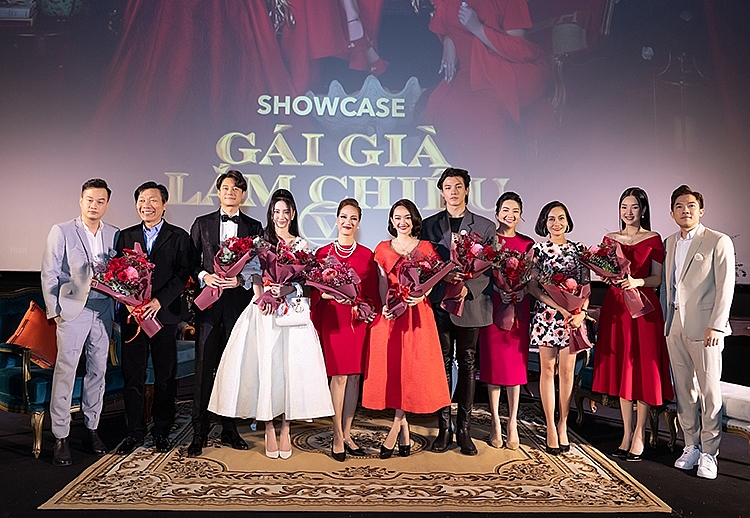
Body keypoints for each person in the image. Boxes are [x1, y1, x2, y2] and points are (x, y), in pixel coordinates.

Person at [208, 189, 333, 459]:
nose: (281, 216)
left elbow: (304, 282)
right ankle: (268, 427)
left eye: (286, 211)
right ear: (271, 214)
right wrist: (262, 297)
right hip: (263, 313)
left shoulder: (301, 245)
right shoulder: (261, 243)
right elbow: (254, 275)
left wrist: (286, 290)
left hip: (290, 315)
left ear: (293, 213)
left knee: (289, 371)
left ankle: (286, 427)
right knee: (266, 368)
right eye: (276, 212)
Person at [362, 199, 451, 458]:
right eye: (397, 217)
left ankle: (394, 429)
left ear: (414, 221)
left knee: (412, 371)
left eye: (407, 217)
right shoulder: (382, 248)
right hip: (390, 314)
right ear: (391, 221)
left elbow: (433, 279)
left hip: (417, 314)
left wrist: (421, 295)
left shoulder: (425, 248)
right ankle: (404, 432)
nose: (402, 222)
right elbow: (382, 282)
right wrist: (385, 306)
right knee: (393, 371)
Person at [591, 188, 673, 462]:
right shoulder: (609, 239)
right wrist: (607, 277)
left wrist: (637, 281)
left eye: (634, 207)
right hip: (617, 309)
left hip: (644, 310)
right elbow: (605, 272)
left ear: (643, 210)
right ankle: (626, 434)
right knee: (624, 369)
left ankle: (639, 434)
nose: (628, 212)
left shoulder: (653, 238)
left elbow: (657, 278)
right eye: (624, 206)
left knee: (643, 370)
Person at [41, 179, 119, 466]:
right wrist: (55, 311)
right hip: (73, 310)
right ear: (80, 200)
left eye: (100, 201)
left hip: (104, 310)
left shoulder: (114, 233)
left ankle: (91, 429)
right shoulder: (61, 230)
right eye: (89, 200)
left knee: (98, 371)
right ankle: (61, 437)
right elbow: (49, 272)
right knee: (66, 371)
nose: (94, 205)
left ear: (107, 204)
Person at [660, 185, 734, 480]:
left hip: (706, 327)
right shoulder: (669, 242)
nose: (685, 210)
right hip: (675, 324)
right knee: (684, 391)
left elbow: (725, 286)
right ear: (672, 213)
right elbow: (668, 285)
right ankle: (690, 445)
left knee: (709, 391)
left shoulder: (718, 240)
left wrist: (717, 324)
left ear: (701, 210)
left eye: (691, 205)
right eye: (679, 206)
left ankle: (710, 453)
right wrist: (666, 322)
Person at [420, 167, 496, 455]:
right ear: (442, 192)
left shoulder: (484, 227)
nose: (453, 191)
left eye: (458, 186)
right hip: (439, 303)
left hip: (470, 305)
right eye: (448, 187)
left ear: (467, 190)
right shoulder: (429, 226)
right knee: (441, 363)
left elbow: (490, 265)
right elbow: (421, 264)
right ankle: (444, 427)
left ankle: (463, 428)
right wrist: (443, 278)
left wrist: (468, 287)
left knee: (467, 362)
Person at [188, 170, 263, 457]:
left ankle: (230, 429)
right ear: (218, 192)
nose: (230, 192)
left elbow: (259, 267)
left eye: (236, 188)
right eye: (226, 187)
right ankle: (199, 431)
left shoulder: (254, 227)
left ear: (243, 194)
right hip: (208, 305)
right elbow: (191, 262)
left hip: (238, 305)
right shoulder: (202, 223)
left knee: (234, 367)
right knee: (203, 367)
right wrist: (205, 276)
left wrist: (240, 280)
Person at [115, 182, 193, 454]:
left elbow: (182, 275)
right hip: (133, 318)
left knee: (164, 376)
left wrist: (159, 301)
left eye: (152, 200)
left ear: (164, 204)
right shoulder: (125, 236)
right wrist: (128, 302)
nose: (146, 205)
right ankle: (134, 431)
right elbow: (117, 273)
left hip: (164, 316)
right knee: (133, 376)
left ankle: (161, 430)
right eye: (141, 200)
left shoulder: (179, 236)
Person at [425, 0, 550, 171]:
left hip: (507, 69)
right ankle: (468, 178)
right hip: (470, 71)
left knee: (481, 113)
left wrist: (477, 28)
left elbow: (519, 50)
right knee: (443, 107)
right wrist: (448, 39)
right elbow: (448, 21)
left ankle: (498, 180)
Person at [311, 198, 379, 462]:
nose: (348, 222)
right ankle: (337, 434)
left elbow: (372, 294)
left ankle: (348, 433)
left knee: (354, 378)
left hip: (356, 322)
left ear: (358, 223)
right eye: (344, 217)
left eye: (353, 218)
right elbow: (314, 292)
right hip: (333, 320)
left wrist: (363, 305)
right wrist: (329, 296)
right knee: (338, 377)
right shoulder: (322, 254)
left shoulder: (367, 255)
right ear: (336, 220)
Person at [527, 201, 589, 455]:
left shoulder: (578, 250)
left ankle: (563, 423)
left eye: (561, 218)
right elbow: (533, 288)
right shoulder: (538, 250)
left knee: (567, 372)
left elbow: (586, 287)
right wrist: (559, 308)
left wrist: (581, 312)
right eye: (551, 219)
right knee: (547, 370)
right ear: (544, 223)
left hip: (572, 318)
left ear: (568, 221)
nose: (556, 223)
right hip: (547, 317)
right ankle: (550, 426)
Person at [478, 192, 534, 450]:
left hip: (518, 310)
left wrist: (521, 290)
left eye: (515, 211)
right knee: (494, 368)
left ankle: (512, 422)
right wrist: (497, 288)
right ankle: (495, 423)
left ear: (520, 215)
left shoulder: (527, 243)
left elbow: (532, 278)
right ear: (497, 212)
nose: (510, 215)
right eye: (505, 210)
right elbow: (479, 274)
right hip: (492, 307)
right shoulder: (489, 242)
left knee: (515, 369)